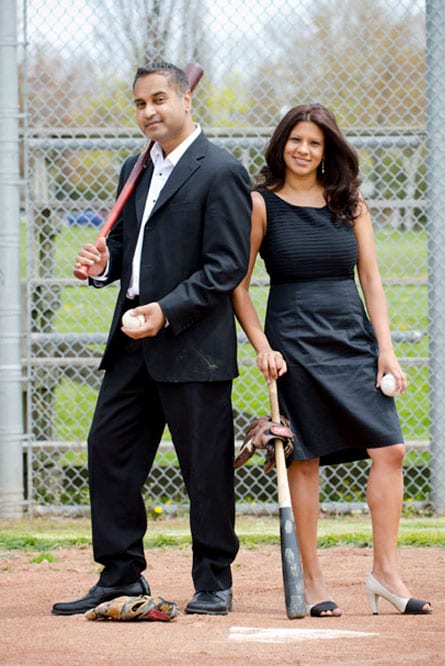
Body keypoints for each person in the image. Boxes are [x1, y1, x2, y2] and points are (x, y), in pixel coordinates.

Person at [54, 62, 252, 616]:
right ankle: (121, 575)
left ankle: (214, 580)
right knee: (108, 449)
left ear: (186, 100)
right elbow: (123, 247)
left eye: (159, 99)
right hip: (132, 343)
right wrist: (101, 264)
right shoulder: (133, 168)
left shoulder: (220, 171)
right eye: (140, 103)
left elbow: (225, 267)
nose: (149, 112)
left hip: (192, 345)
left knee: (204, 468)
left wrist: (165, 312)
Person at [232, 103, 431, 617]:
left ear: (328, 151)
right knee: (305, 458)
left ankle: (386, 573)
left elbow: (372, 280)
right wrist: (262, 346)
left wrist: (386, 350)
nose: (303, 149)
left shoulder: (349, 203)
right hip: (294, 344)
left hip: (352, 338)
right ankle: (313, 580)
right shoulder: (260, 204)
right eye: (295, 139)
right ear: (281, 144)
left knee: (390, 450)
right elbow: (240, 285)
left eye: (315, 143)